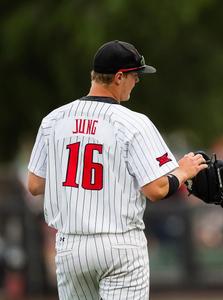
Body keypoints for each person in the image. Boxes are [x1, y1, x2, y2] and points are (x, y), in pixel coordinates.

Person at [26, 40, 207, 300]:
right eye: (135, 75)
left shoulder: (54, 120)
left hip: (70, 247)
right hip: (118, 244)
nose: (137, 81)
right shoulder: (132, 122)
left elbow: (34, 185)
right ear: (119, 77)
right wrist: (183, 171)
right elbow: (156, 189)